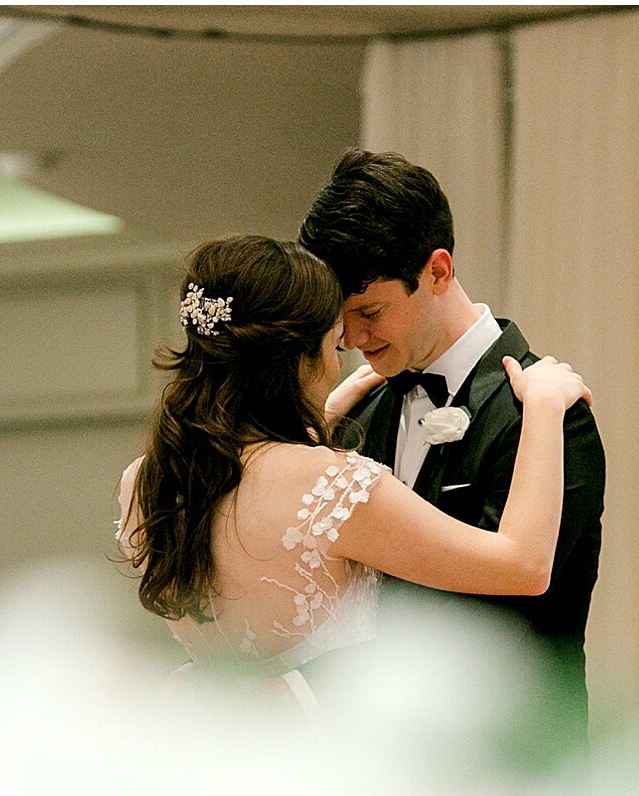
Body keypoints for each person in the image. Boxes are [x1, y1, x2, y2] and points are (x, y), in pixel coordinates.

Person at [115, 234, 592, 721]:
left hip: (209, 748)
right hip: (333, 750)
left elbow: (248, 486)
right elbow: (524, 565)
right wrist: (545, 407)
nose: (343, 358)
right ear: (298, 360)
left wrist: (318, 415)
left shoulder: (147, 483)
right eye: (332, 344)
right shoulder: (334, 485)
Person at [298, 150, 606, 745]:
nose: (354, 339)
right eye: (342, 320)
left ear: (437, 271)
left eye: (371, 312)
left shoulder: (549, 414)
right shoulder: (360, 409)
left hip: (514, 769)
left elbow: (504, 614)